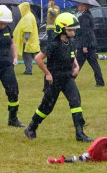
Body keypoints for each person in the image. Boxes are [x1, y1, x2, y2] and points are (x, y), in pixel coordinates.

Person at [24, 12, 92, 142]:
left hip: (67, 78)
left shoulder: (71, 42)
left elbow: (73, 56)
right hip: (54, 79)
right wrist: (48, 74)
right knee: (47, 106)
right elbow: (38, 59)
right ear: (62, 29)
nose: (73, 32)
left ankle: (80, 133)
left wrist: (76, 67)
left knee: (76, 102)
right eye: (70, 29)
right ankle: (31, 127)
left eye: (74, 29)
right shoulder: (53, 44)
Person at [75, 2, 105, 86]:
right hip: (90, 43)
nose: (78, 6)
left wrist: (85, 45)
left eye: (80, 5)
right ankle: (100, 82)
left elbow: (85, 31)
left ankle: (69, 80)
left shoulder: (84, 17)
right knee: (93, 64)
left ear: (84, 7)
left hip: (85, 44)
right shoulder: (87, 15)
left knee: (78, 64)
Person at [13, 0, 40, 76]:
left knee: (27, 56)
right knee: (28, 57)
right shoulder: (29, 15)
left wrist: (25, 39)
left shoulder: (28, 17)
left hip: (28, 41)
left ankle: (28, 70)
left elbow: (28, 29)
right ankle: (28, 69)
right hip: (31, 41)